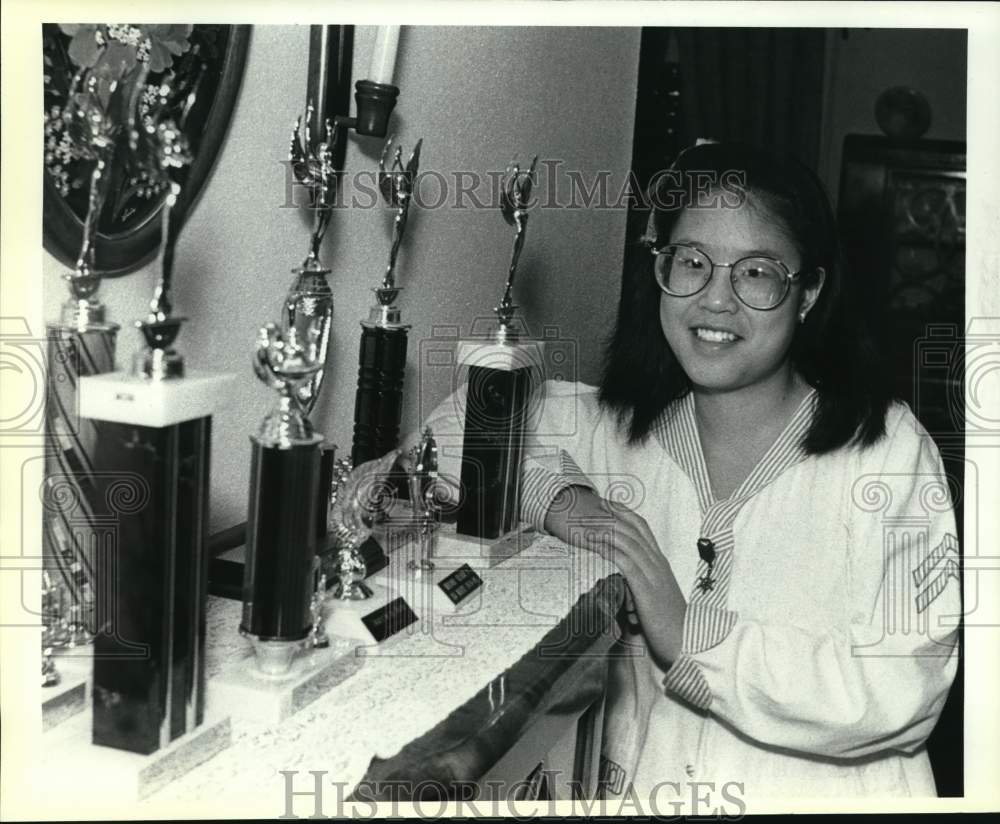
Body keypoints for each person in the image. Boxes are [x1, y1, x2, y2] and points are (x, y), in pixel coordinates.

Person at [334, 142, 960, 801]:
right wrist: (571, 505)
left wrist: (686, 628)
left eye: (756, 273)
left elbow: (902, 686)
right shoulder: (625, 428)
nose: (715, 300)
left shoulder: (888, 453)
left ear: (807, 293)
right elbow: (469, 419)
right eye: (692, 263)